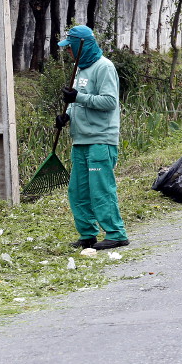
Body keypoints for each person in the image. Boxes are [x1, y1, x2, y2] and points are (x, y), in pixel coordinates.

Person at [55, 25, 129, 251]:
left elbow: (109, 102)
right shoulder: (80, 69)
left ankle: (117, 233)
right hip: (81, 140)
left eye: (71, 47)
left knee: (101, 189)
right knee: (78, 191)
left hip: (100, 139)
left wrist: (79, 97)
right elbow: (78, 101)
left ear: (81, 45)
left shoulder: (104, 67)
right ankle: (87, 234)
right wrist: (66, 116)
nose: (68, 52)